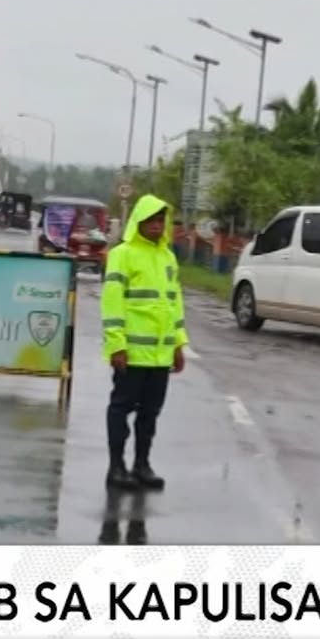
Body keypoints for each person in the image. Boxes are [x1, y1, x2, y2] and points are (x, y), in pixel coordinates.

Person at [102, 193, 186, 493]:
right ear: (138, 221)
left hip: (160, 355)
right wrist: (117, 345)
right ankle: (116, 466)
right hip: (132, 352)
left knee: (150, 412)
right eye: (150, 219)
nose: (156, 225)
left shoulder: (167, 257)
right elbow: (112, 304)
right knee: (121, 408)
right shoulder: (122, 254)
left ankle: (141, 464)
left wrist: (178, 344)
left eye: (160, 219)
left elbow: (173, 303)